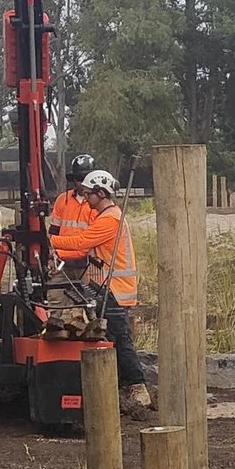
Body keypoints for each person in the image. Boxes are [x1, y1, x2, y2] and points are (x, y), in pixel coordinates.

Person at [49, 169, 152, 412]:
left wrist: (49, 242)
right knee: (109, 339)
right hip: (106, 288)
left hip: (115, 291)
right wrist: (58, 253)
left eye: (88, 194)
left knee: (120, 340)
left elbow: (81, 242)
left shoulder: (110, 219)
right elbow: (82, 248)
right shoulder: (104, 217)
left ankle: (139, 388)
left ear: (101, 193)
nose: (85, 199)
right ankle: (119, 386)